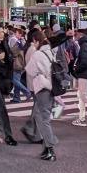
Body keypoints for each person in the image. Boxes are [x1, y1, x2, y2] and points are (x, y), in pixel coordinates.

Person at [21, 29, 58, 160]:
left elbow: (29, 70)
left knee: (43, 120)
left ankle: (50, 149)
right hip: (51, 87)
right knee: (41, 117)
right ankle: (47, 148)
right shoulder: (49, 52)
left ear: (36, 41)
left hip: (43, 88)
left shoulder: (37, 54)